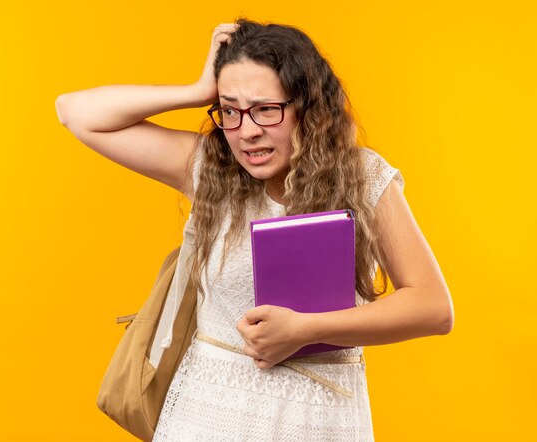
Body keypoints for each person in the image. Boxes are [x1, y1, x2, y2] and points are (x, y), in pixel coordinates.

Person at [56, 19, 454, 441]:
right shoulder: (211, 168)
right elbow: (75, 113)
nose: (246, 131)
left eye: (266, 109)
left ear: (307, 106)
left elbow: (433, 307)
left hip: (319, 418)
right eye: (230, 110)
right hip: (208, 412)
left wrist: (306, 330)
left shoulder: (361, 176)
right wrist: (196, 91)